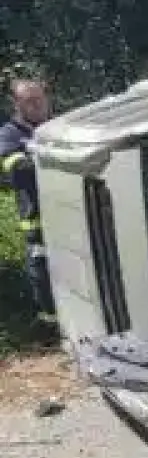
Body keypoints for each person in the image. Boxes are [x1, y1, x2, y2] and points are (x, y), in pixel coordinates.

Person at [0, 78, 53, 318]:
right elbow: (13, 164)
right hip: (37, 219)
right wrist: (42, 160)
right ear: (17, 104)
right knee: (42, 272)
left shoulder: (59, 127)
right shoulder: (9, 134)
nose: (38, 105)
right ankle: (50, 325)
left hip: (71, 213)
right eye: (30, 101)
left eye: (40, 99)